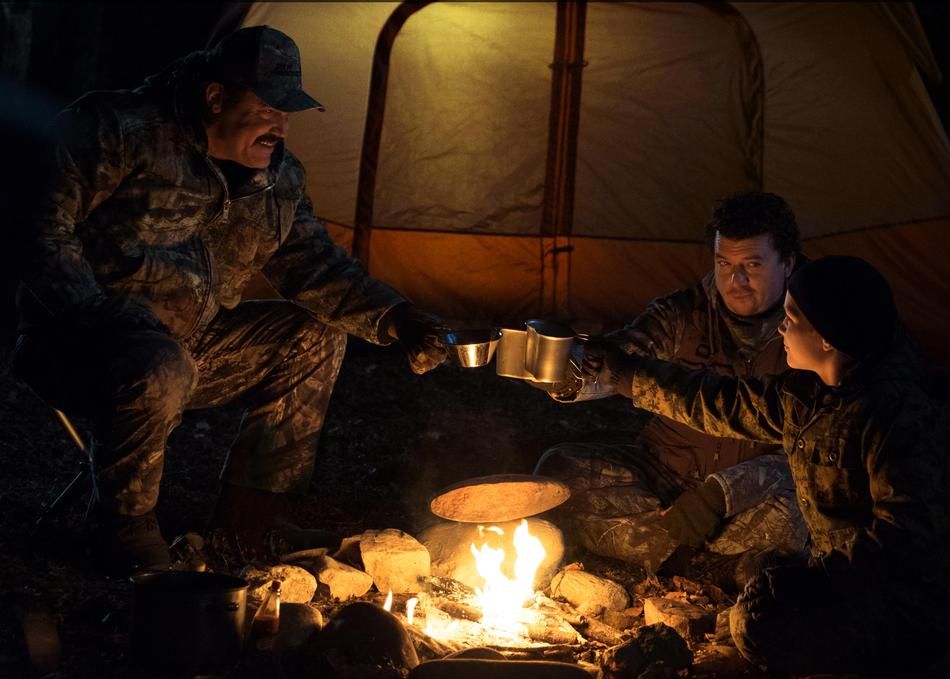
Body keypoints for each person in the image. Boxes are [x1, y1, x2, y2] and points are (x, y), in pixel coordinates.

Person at [12, 26, 446, 573]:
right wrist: (93, 312)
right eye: (268, 107)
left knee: (313, 334)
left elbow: (312, 263)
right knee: (157, 363)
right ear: (216, 97)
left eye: (288, 111)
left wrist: (397, 318)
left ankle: (252, 518)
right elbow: (38, 230)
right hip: (80, 344)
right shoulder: (118, 131)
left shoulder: (277, 179)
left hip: (192, 347)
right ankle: (124, 529)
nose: (281, 125)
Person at [590, 256, 949, 675]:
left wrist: (814, 582)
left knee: (760, 624)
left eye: (792, 317)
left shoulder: (896, 415)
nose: (781, 326)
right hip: (837, 577)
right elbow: (720, 402)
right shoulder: (809, 396)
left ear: (829, 337)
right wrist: (625, 373)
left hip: (903, 596)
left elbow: (906, 537)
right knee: (764, 590)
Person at [535, 192, 809, 584]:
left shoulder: (813, 327)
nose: (736, 281)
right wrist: (568, 376)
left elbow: (820, 442)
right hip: (665, 478)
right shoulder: (684, 313)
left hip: (750, 495)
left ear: (787, 263)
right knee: (560, 473)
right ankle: (715, 565)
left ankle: (683, 556)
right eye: (724, 264)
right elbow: (616, 360)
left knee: (802, 505)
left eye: (752, 264)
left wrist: (721, 493)